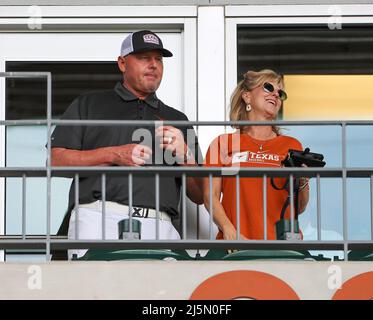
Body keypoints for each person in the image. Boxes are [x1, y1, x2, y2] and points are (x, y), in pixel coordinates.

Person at [50, 30, 203, 259]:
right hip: (98, 217)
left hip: (160, 223)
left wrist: (186, 156)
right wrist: (114, 155)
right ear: (122, 63)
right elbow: (55, 161)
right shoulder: (90, 103)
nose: (153, 65)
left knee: (162, 294)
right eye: (144, 57)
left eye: (158, 59)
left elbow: (199, 195)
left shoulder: (177, 119)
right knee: (94, 293)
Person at [203, 69, 309, 241]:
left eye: (280, 93)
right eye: (268, 87)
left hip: (283, 246)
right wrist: (229, 230)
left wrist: (303, 180)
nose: (275, 94)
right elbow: (210, 196)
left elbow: (300, 206)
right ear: (247, 96)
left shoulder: (291, 145)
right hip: (236, 245)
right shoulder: (222, 143)